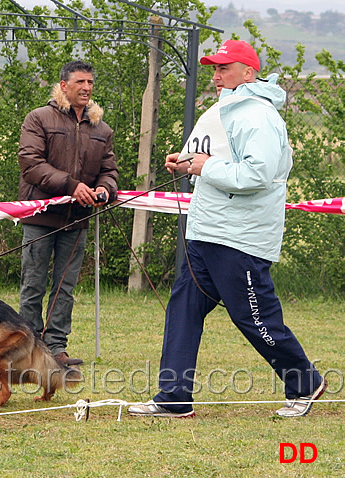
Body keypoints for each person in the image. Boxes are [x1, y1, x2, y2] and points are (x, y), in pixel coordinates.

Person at [127, 40, 325, 418]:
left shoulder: (259, 116)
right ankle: (173, 397)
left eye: (224, 68)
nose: (216, 76)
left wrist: (203, 167)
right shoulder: (219, 110)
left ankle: (305, 381)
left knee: (253, 317)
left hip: (239, 237)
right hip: (203, 232)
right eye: (214, 69)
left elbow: (256, 174)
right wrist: (184, 163)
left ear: (248, 72)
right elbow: (207, 157)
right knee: (182, 309)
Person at [18, 60, 118, 366]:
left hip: (78, 220)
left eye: (90, 82)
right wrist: (71, 185)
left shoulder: (102, 128)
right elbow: (31, 163)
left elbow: (109, 171)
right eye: (80, 82)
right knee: (33, 284)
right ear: (64, 86)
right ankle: (28, 348)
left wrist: (105, 191)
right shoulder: (39, 118)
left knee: (65, 287)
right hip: (40, 218)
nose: (86, 88)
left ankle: (57, 348)